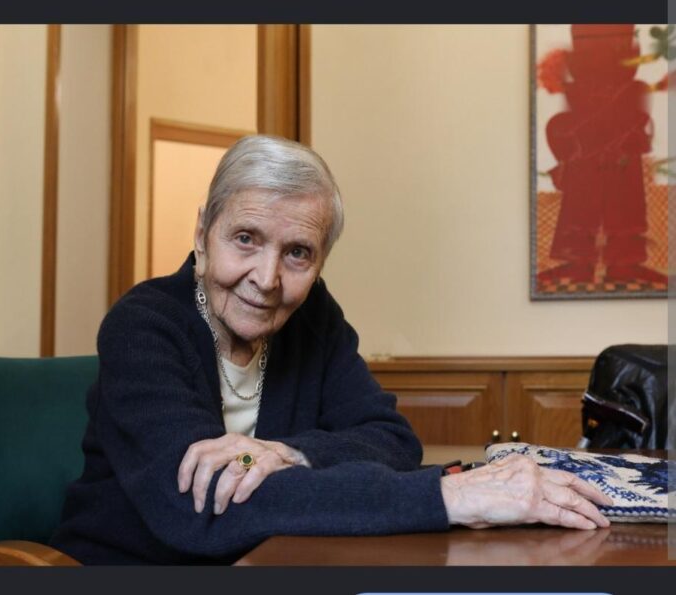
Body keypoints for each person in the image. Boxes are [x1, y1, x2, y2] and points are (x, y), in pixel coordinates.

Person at [50, 135, 612, 565]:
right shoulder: (142, 325)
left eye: (297, 253)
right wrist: (449, 497)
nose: (266, 278)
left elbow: (392, 441)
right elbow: (199, 509)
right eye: (245, 239)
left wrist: (284, 453)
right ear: (202, 234)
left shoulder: (312, 314)